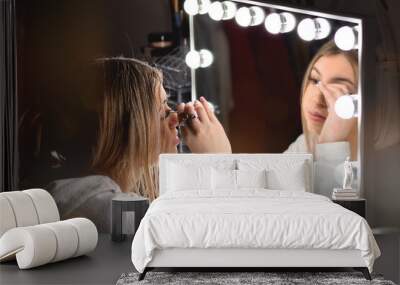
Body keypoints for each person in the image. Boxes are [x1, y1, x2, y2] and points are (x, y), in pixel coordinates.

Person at [285, 41, 358, 160]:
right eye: (315, 80)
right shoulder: (305, 144)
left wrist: (330, 143)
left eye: (339, 92)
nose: (317, 100)